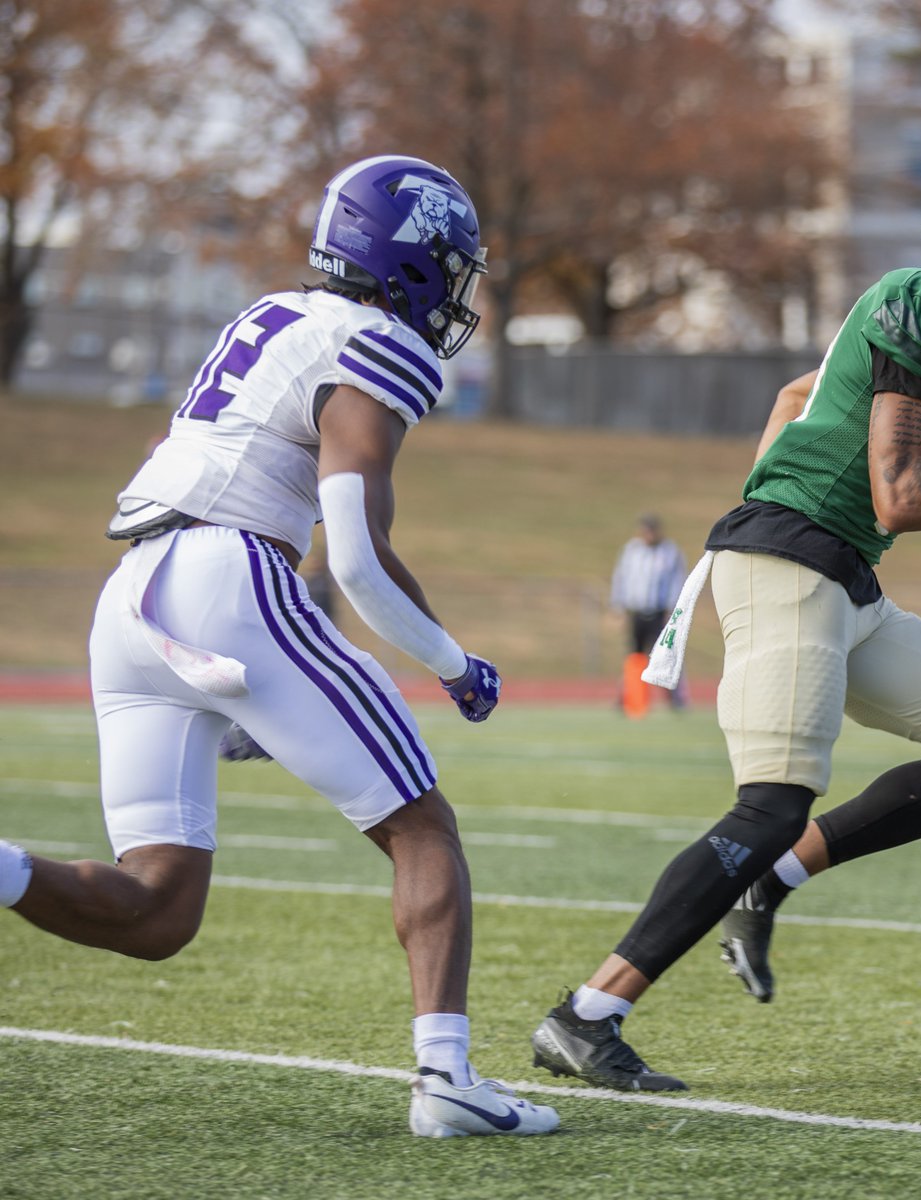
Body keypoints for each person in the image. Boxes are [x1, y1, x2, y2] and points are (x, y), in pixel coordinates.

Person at [0, 154, 558, 1138]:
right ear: (417, 261)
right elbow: (356, 557)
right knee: (423, 828)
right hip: (229, 577)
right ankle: (446, 1082)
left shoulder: (275, 314)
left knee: (159, 910)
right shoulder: (375, 340)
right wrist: (452, 662)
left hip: (131, 596)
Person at [530, 162, 921, 1089]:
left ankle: (776, 878)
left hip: (841, 577)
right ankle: (587, 1013)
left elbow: (794, 403)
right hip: (799, 561)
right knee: (769, 803)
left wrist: (766, 505)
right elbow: (903, 496)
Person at [609, 513, 688, 717]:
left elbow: (676, 582)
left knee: (665, 654)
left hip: (659, 613)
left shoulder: (669, 552)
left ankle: (675, 698)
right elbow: (621, 577)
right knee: (633, 656)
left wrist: (673, 611)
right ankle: (629, 698)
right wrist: (618, 606)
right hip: (636, 610)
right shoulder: (631, 550)